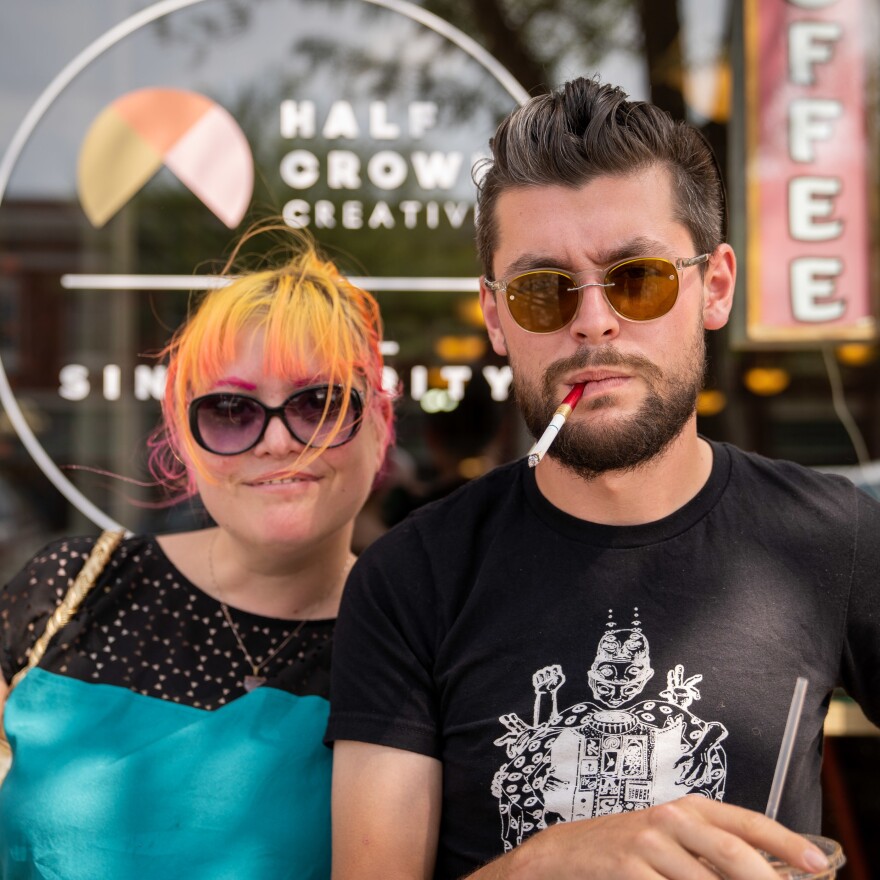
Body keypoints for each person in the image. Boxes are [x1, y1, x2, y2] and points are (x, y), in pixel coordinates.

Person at [326, 76, 880, 879]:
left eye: (639, 278)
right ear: (494, 317)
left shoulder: (832, 539)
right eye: (542, 291)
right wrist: (548, 862)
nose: (593, 320)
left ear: (713, 287)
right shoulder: (413, 578)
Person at [0, 227, 394, 879]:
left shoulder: (413, 638)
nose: (275, 442)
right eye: (231, 410)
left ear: (379, 423)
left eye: (318, 404)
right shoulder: (76, 587)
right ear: (185, 439)